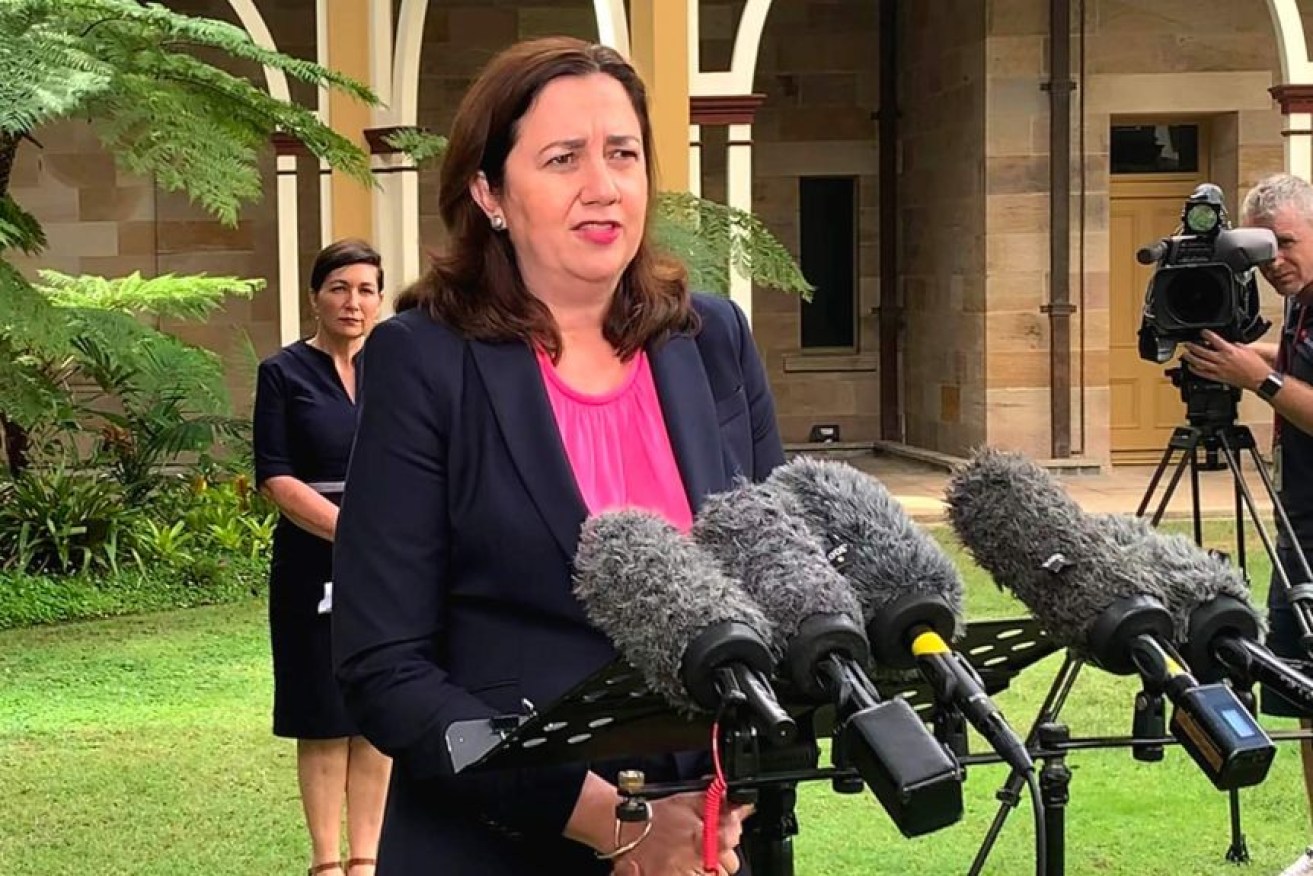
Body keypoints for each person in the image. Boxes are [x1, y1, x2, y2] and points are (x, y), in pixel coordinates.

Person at [330, 36, 781, 876]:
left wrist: (726, 807)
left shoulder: (712, 340)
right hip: (502, 839)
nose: (602, 186)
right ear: (489, 192)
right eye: (563, 158)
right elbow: (382, 666)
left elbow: (775, 584)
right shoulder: (423, 361)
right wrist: (616, 825)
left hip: (713, 838)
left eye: (622, 153)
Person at [1180, 172, 1313, 876]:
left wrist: (1254, 380)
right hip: (1300, 531)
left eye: (1287, 245)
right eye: (1263, 257)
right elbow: (1292, 363)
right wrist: (1228, 353)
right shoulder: (1296, 304)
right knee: (1301, 688)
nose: (1275, 265)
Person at [253, 238, 393, 876]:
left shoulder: (396, 371)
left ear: (380, 299)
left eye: (366, 289)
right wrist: (353, 533)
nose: (353, 302)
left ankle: (367, 859)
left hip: (393, 564)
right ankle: (326, 863)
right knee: (323, 712)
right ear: (315, 296)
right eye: (340, 287)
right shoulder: (282, 373)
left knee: (377, 709)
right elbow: (276, 478)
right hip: (313, 561)